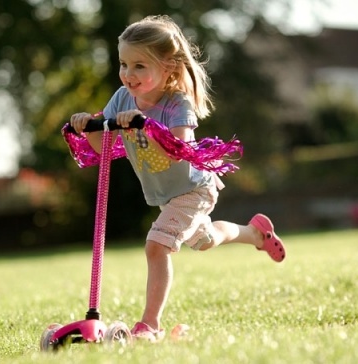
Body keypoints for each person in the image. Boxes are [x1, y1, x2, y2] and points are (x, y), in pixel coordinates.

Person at [69, 15, 286, 343]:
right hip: (166, 195)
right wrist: (88, 127)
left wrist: (145, 126)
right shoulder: (121, 99)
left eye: (140, 66)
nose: (129, 74)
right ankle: (254, 233)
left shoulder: (176, 104)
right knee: (206, 239)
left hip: (194, 189)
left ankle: (149, 325)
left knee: (157, 247)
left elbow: (179, 149)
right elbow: (105, 147)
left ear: (168, 66)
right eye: (124, 64)